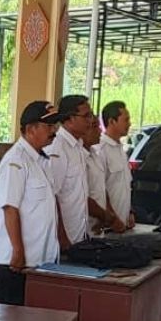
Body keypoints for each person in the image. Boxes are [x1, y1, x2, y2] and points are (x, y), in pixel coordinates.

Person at [0, 101, 60, 304]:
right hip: (16, 262)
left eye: (54, 125)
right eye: (49, 126)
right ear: (30, 129)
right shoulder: (16, 161)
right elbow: (10, 209)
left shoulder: (41, 161)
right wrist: (18, 251)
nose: (54, 131)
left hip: (38, 260)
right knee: (14, 320)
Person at [45, 94, 94, 247]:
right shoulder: (58, 148)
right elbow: (51, 197)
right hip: (64, 240)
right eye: (86, 116)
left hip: (80, 235)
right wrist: (62, 236)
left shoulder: (78, 146)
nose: (91, 120)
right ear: (71, 119)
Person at [97, 100, 135, 231]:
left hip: (122, 223)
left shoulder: (120, 149)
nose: (129, 124)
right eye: (126, 120)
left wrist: (129, 212)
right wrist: (113, 219)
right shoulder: (100, 150)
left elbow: (125, 185)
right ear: (112, 121)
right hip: (108, 225)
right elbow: (100, 189)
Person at [83, 113, 116, 234]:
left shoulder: (95, 155)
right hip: (85, 226)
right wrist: (104, 216)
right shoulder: (79, 158)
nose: (100, 131)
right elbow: (81, 196)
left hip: (99, 226)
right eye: (94, 127)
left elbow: (101, 188)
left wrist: (110, 214)